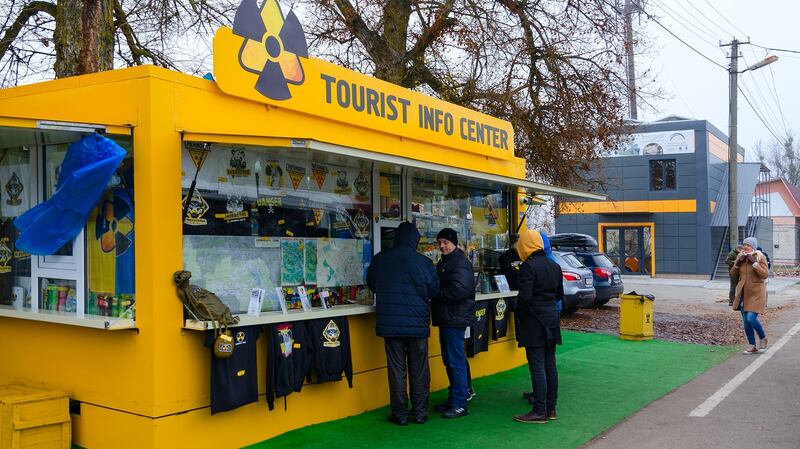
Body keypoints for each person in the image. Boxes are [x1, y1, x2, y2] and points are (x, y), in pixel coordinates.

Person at [367, 222, 439, 425]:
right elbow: (434, 290)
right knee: (419, 369)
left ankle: (400, 415)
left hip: (391, 324)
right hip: (417, 326)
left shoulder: (381, 259)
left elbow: (372, 284)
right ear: (415, 241)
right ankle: (420, 412)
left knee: (397, 369)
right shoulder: (424, 262)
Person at [513, 229, 563, 424]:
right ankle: (551, 408)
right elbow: (559, 294)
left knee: (537, 366)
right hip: (551, 319)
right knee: (550, 364)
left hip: (534, 321)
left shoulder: (528, 267)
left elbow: (524, 298)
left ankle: (539, 411)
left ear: (524, 245)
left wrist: (519, 311)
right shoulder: (554, 265)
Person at [431, 228, 476, 419]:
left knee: (455, 360)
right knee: (450, 359)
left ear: (454, 243)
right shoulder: (447, 261)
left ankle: (459, 403)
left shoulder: (460, 263)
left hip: (455, 318)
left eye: (445, 242)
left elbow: (461, 289)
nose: (442, 246)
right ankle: (455, 398)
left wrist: (436, 294)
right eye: (440, 242)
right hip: (448, 317)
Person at [731, 237, 769, 355]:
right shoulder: (740, 257)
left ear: (753, 246)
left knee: (751, 318)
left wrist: (754, 263)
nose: (745, 247)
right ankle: (752, 345)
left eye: (748, 245)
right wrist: (737, 262)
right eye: (744, 245)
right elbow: (733, 275)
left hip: (756, 293)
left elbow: (765, 275)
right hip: (743, 294)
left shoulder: (760, 256)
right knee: (746, 322)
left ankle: (763, 338)